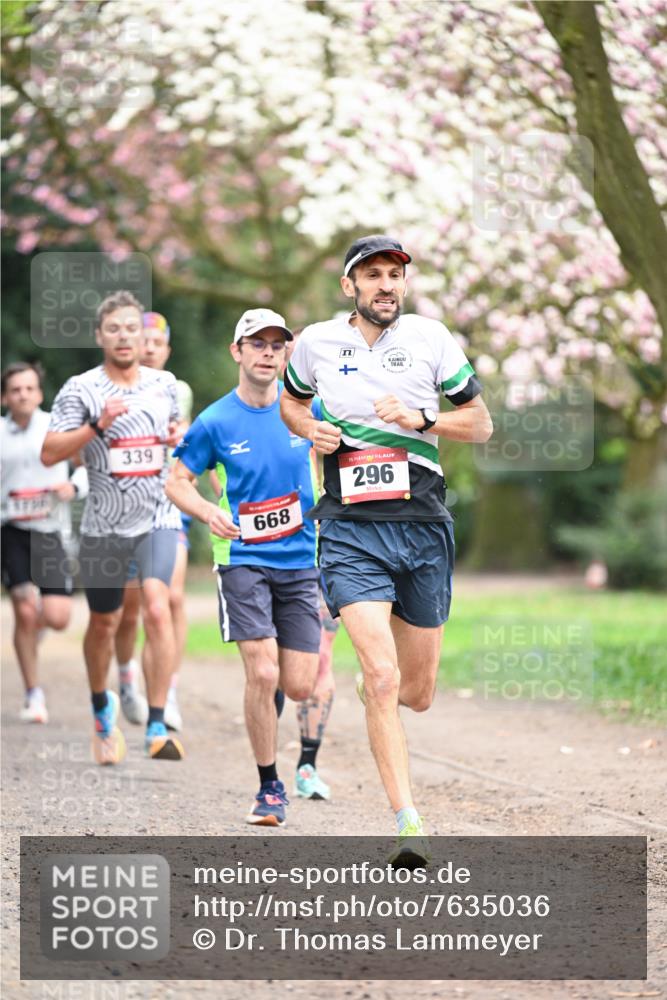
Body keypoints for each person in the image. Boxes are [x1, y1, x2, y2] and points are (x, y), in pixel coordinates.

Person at [280, 234, 493, 865]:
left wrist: (421, 421)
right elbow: (292, 403)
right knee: (381, 677)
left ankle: (384, 699)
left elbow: (480, 423)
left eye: (395, 276)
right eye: (372, 275)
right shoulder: (316, 342)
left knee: (416, 691)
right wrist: (309, 427)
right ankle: (408, 822)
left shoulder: (431, 339)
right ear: (350, 286)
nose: (386, 286)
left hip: (423, 525)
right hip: (349, 526)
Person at [166, 308, 321, 827]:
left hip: (301, 559)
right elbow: (176, 481)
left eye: (277, 345)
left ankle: (268, 699)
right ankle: (269, 787)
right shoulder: (215, 420)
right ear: (237, 351)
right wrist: (210, 512)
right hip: (243, 559)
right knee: (263, 668)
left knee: (297, 684)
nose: (267, 353)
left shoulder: (307, 410)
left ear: (287, 353)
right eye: (257, 344)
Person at [41, 290, 185, 765]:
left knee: (158, 608)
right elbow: (51, 452)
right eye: (114, 329)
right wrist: (97, 427)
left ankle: (158, 723)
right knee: (104, 621)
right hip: (104, 525)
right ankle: (102, 709)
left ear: (143, 336)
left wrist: (178, 440)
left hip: (157, 518)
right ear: (100, 336)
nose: (125, 336)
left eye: (131, 328)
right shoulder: (80, 389)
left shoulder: (164, 384)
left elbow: (176, 442)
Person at [114, 311, 193, 731]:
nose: (148, 349)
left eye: (156, 343)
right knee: (129, 614)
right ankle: (127, 677)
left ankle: (168, 689)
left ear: (166, 350)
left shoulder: (177, 389)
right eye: (142, 341)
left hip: (169, 509)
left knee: (167, 603)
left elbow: (186, 442)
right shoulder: (110, 388)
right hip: (126, 514)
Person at [1, 361, 88, 723]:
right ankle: (33, 694)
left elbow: (87, 465)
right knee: (23, 606)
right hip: (11, 530)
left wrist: (73, 486)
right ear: (5, 396)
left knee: (56, 617)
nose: (22, 395)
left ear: (39, 393)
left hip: (50, 531)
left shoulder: (58, 427)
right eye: (15, 389)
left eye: (29, 388)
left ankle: (30, 633)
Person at [283, 329, 337, 801]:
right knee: (279, 666)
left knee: (320, 660)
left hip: (317, 550)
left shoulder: (323, 410)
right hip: (260, 557)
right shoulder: (238, 414)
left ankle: (306, 764)